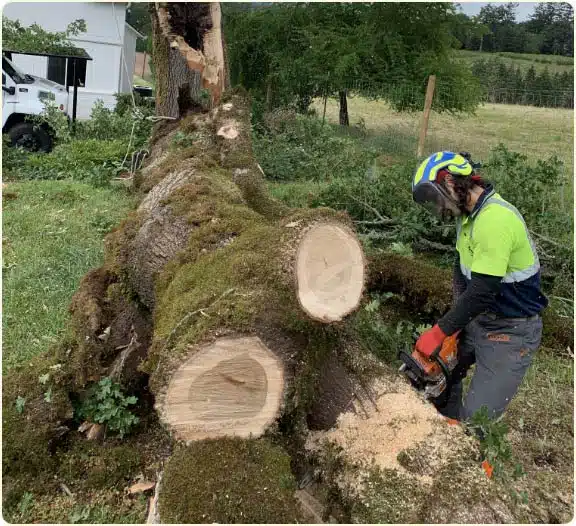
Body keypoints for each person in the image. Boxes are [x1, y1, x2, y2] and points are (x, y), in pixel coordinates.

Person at [411, 151, 548, 422]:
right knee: (437, 379)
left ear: (451, 182)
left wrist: (440, 332)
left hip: (511, 331)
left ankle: (469, 452)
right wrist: (454, 328)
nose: (438, 208)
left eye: (436, 199)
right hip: (479, 319)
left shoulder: (495, 219)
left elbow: (483, 292)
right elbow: (461, 273)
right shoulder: (468, 219)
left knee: (476, 422)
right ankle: (443, 427)